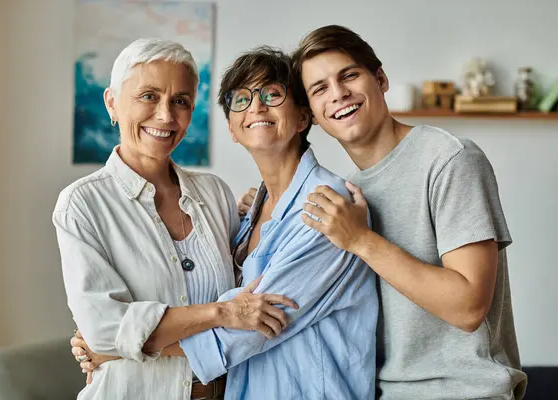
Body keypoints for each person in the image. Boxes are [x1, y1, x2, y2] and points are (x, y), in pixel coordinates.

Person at [72, 46, 379, 400]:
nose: (256, 107)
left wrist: (118, 347)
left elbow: (253, 327)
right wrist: (107, 333)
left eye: (272, 94)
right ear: (232, 128)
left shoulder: (329, 208)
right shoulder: (247, 213)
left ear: (302, 117)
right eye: (241, 99)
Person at [240, 25, 527, 400]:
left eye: (349, 75)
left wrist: (361, 241)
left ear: (380, 79)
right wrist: (267, 206)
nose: (339, 94)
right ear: (310, 114)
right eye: (320, 88)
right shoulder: (348, 194)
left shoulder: (450, 160)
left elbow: (468, 306)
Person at [53, 38, 298, 400]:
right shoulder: (82, 204)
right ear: (112, 103)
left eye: (180, 101)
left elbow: (254, 309)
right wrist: (220, 314)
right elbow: (105, 331)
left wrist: (127, 343)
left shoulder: (215, 195)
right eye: (149, 96)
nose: (166, 116)